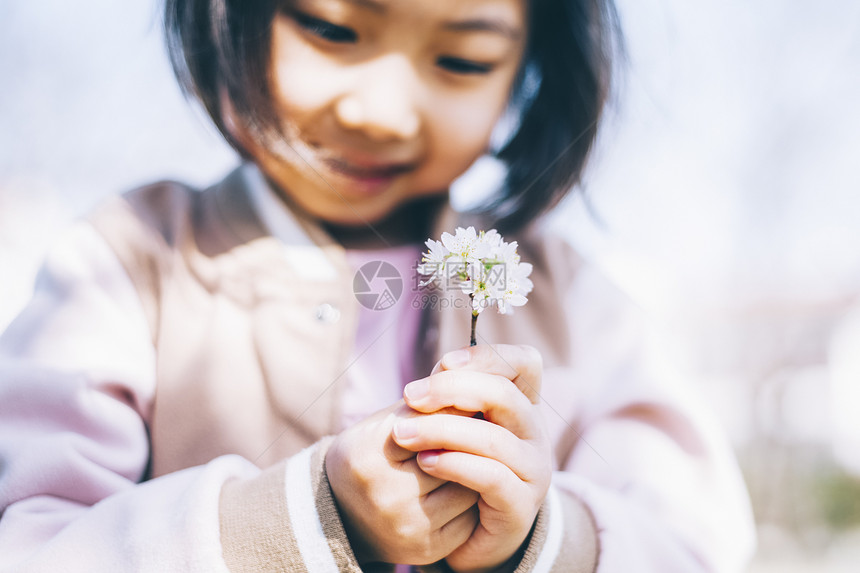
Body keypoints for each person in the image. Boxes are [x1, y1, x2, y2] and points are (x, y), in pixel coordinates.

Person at [0, 0, 755, 571]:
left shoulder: (571, 300)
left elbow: (695, 542)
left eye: (460, 61)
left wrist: (540, 536)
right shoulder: (131, 261)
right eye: (332, 30)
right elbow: (29, 541)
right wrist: (306, 517)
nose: (381, 113)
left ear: (531, 71)